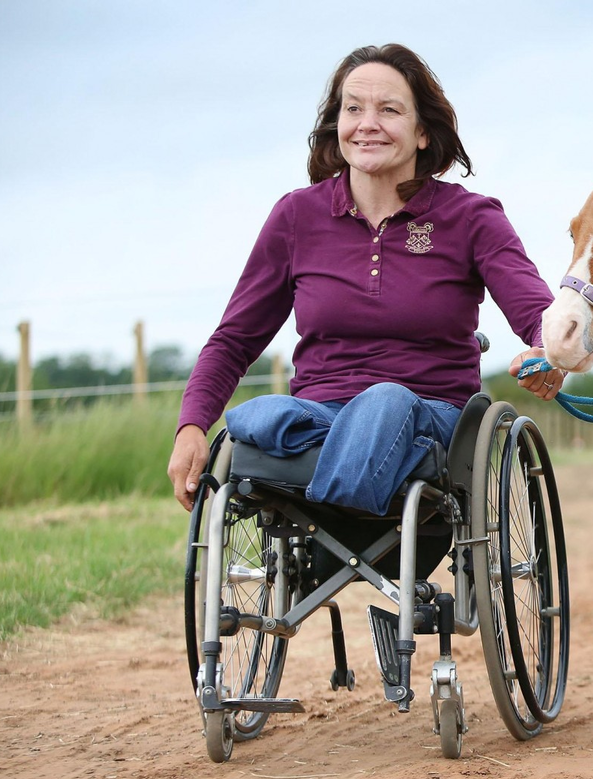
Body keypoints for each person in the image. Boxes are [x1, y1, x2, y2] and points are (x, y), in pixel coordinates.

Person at [167, 43, 563, 515]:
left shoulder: (471, 217)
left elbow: (538, 313)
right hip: (321, 412)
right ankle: (345, 494)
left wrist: (549, 352)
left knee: (383, 403)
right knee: (255, 417)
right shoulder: (296, 216)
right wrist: (191, 426)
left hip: (429, 415)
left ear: (421, 132)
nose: (367, 123)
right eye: (353, 108)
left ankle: (321, 524)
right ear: (338, 125)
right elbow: (234, 339)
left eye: (389, 110)